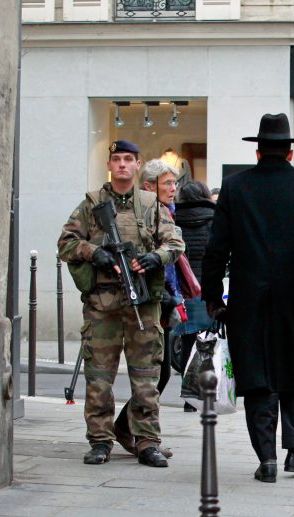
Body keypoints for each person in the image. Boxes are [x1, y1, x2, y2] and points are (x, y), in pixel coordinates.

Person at [201, 113, 294, 483]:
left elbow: (217, 248)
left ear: (258, 151)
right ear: (290, 152)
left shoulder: (236, 187)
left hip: (249, 298)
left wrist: (212, 295)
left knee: (258, 376)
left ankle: (266, 459)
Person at [58, 140, 184, 467]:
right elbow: (66, 242)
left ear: (138, 163)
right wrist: (93, 252)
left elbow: (175, 243)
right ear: (110, 165)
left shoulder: (151, 205)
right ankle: (100, 441)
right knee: (99, 378)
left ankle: (146, 441)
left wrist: (154, 258)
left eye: (129, 159)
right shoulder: (92, 205)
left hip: (142, 303)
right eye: (117, 159)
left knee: (146, 377)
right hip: (103, 304)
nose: (123, 165)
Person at [112, 159, 182, 456]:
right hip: (151, 301)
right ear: (149, 185)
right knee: (157, 372)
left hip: (164, 300)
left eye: (174, 183)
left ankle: (132, 429)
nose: (173, 189)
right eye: (167, 183)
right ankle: (133, 431)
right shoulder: (145, 212)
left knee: (159, 372)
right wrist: (169, 297)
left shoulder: (167, 212)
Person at [173, 180, 216, 410]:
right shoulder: (215, 217)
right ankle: (206, 393)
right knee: (209, 340)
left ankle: (188, 397)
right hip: (207, 288)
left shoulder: (174, 218)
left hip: (183, 288)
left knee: (187, 341)